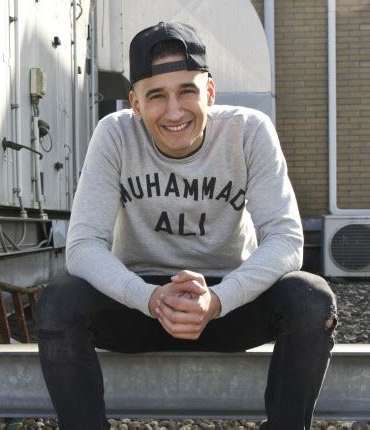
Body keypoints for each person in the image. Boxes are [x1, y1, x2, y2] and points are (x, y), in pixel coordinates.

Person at [36, 22, 337, 430]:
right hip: (141, 303)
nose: (175, 111)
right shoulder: (115, 135)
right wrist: (149, 297)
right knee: (59, 301)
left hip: (228, 301)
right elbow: (83, 244)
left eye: (187, 91)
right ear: (135, 103)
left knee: (311, 299)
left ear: (209, 92)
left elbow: (285, 238)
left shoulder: (248, 131)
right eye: (156, 95)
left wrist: (218, 299)